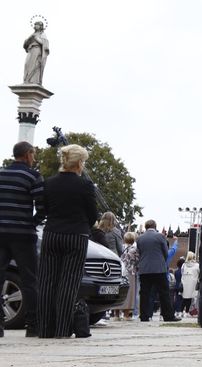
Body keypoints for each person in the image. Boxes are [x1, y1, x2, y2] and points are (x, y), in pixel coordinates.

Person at [35, 145, 97, 338]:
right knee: (68, 283)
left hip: (52, 233)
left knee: (47, 282)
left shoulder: (49, 183)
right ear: (79, 163)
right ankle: (62, 329)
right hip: (76, 235)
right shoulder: (85, 185)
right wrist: (83, 225)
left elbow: (42, 209)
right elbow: (92, 214)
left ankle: (45, 329)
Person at [0, 141, 45, 338]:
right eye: (33, 154)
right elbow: (43, 206)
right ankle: (33, 324)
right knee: (29, 280)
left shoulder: (1, 174)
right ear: (27, 154)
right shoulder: (33, 176)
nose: (33, 157)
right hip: (24, 234)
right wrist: (32, 222)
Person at [137, 220, 180, 323]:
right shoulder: (160, 237)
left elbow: (139, 252)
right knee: (164, 293)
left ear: (146, 227)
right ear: (155, 226)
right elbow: (165, 252)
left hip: (144, 269)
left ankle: (144, 316)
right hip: (159, 269)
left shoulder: (139, 238)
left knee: (145, 293)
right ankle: (168, 316)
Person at [117, 232, 139, 320]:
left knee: (119, 291)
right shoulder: (135, 249)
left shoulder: (121, 247)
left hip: (120, 271)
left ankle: (116, 314)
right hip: (130, 272)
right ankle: (126, 315)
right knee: (129, 293)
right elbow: (137, 261)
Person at [22, 20, 50, 85]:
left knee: (34, 64)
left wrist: (36, 38)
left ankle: (33, 80)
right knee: (27, 64)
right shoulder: (32, 34)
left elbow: (44, 44)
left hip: (37, 49)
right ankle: (26, 80)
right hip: (30, 50)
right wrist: (28, 40)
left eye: (37, 25)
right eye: (35, 25)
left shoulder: (42, 34)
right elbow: (25, 44)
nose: (35, 26)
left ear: (40, 26)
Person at [180, 251, 199, 316]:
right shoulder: (197, 265)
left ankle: (181, 311)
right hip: (193, 284)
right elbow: (199, 273)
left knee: (185, 298)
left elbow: (181, 273)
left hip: (185, 283)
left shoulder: (183, 265)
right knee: (191, 298)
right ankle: (188, 311)